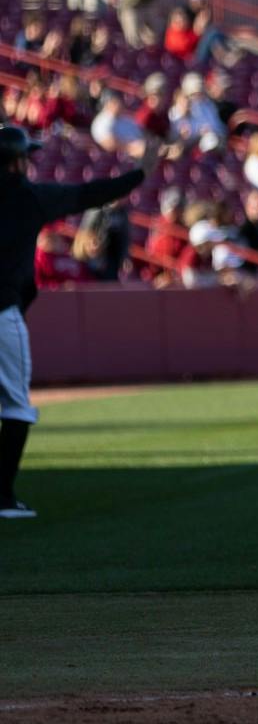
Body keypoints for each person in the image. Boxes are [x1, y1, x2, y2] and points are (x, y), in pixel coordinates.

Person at [0, 126, 150, 518]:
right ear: (16, 161)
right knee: (15, 406)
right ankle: (2, 498)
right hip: (2, 313)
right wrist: (139, 173)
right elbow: (91, 195)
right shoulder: (29, 196)